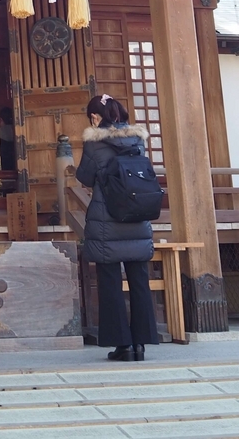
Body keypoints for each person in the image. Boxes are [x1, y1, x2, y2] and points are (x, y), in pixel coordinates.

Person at [75, 93, 159, 362]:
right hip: (137, 217)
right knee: (139, 280)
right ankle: (141, 343)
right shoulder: (138, 140)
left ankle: (122, 345)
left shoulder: (94, 143)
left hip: (107, 220)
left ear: (95, 117)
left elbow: (85, 176)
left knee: (110, 281)